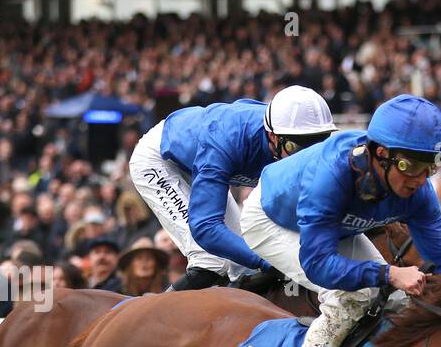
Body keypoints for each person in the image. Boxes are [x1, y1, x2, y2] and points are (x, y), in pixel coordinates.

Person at [240, 93, 441, 347]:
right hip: (270, 219)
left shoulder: (418, 191)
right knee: (358, 294)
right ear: (381, 154)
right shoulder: (330, 174)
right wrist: (390, 273)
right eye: (410, 166)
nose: (420, 180)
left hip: (335, 222)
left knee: (391, 298)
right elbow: (317, 265)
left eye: (430, 167)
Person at [129, 85, 336, 292]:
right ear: (273, 136)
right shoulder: (226, 142)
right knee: (211, 259)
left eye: (318, 144)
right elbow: (206, 228)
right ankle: (154, 320)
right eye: (295, 147)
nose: (306, 156)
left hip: (203, 157)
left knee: (244, 264)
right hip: (161, 160)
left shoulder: (287, 131)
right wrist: (269, 262)